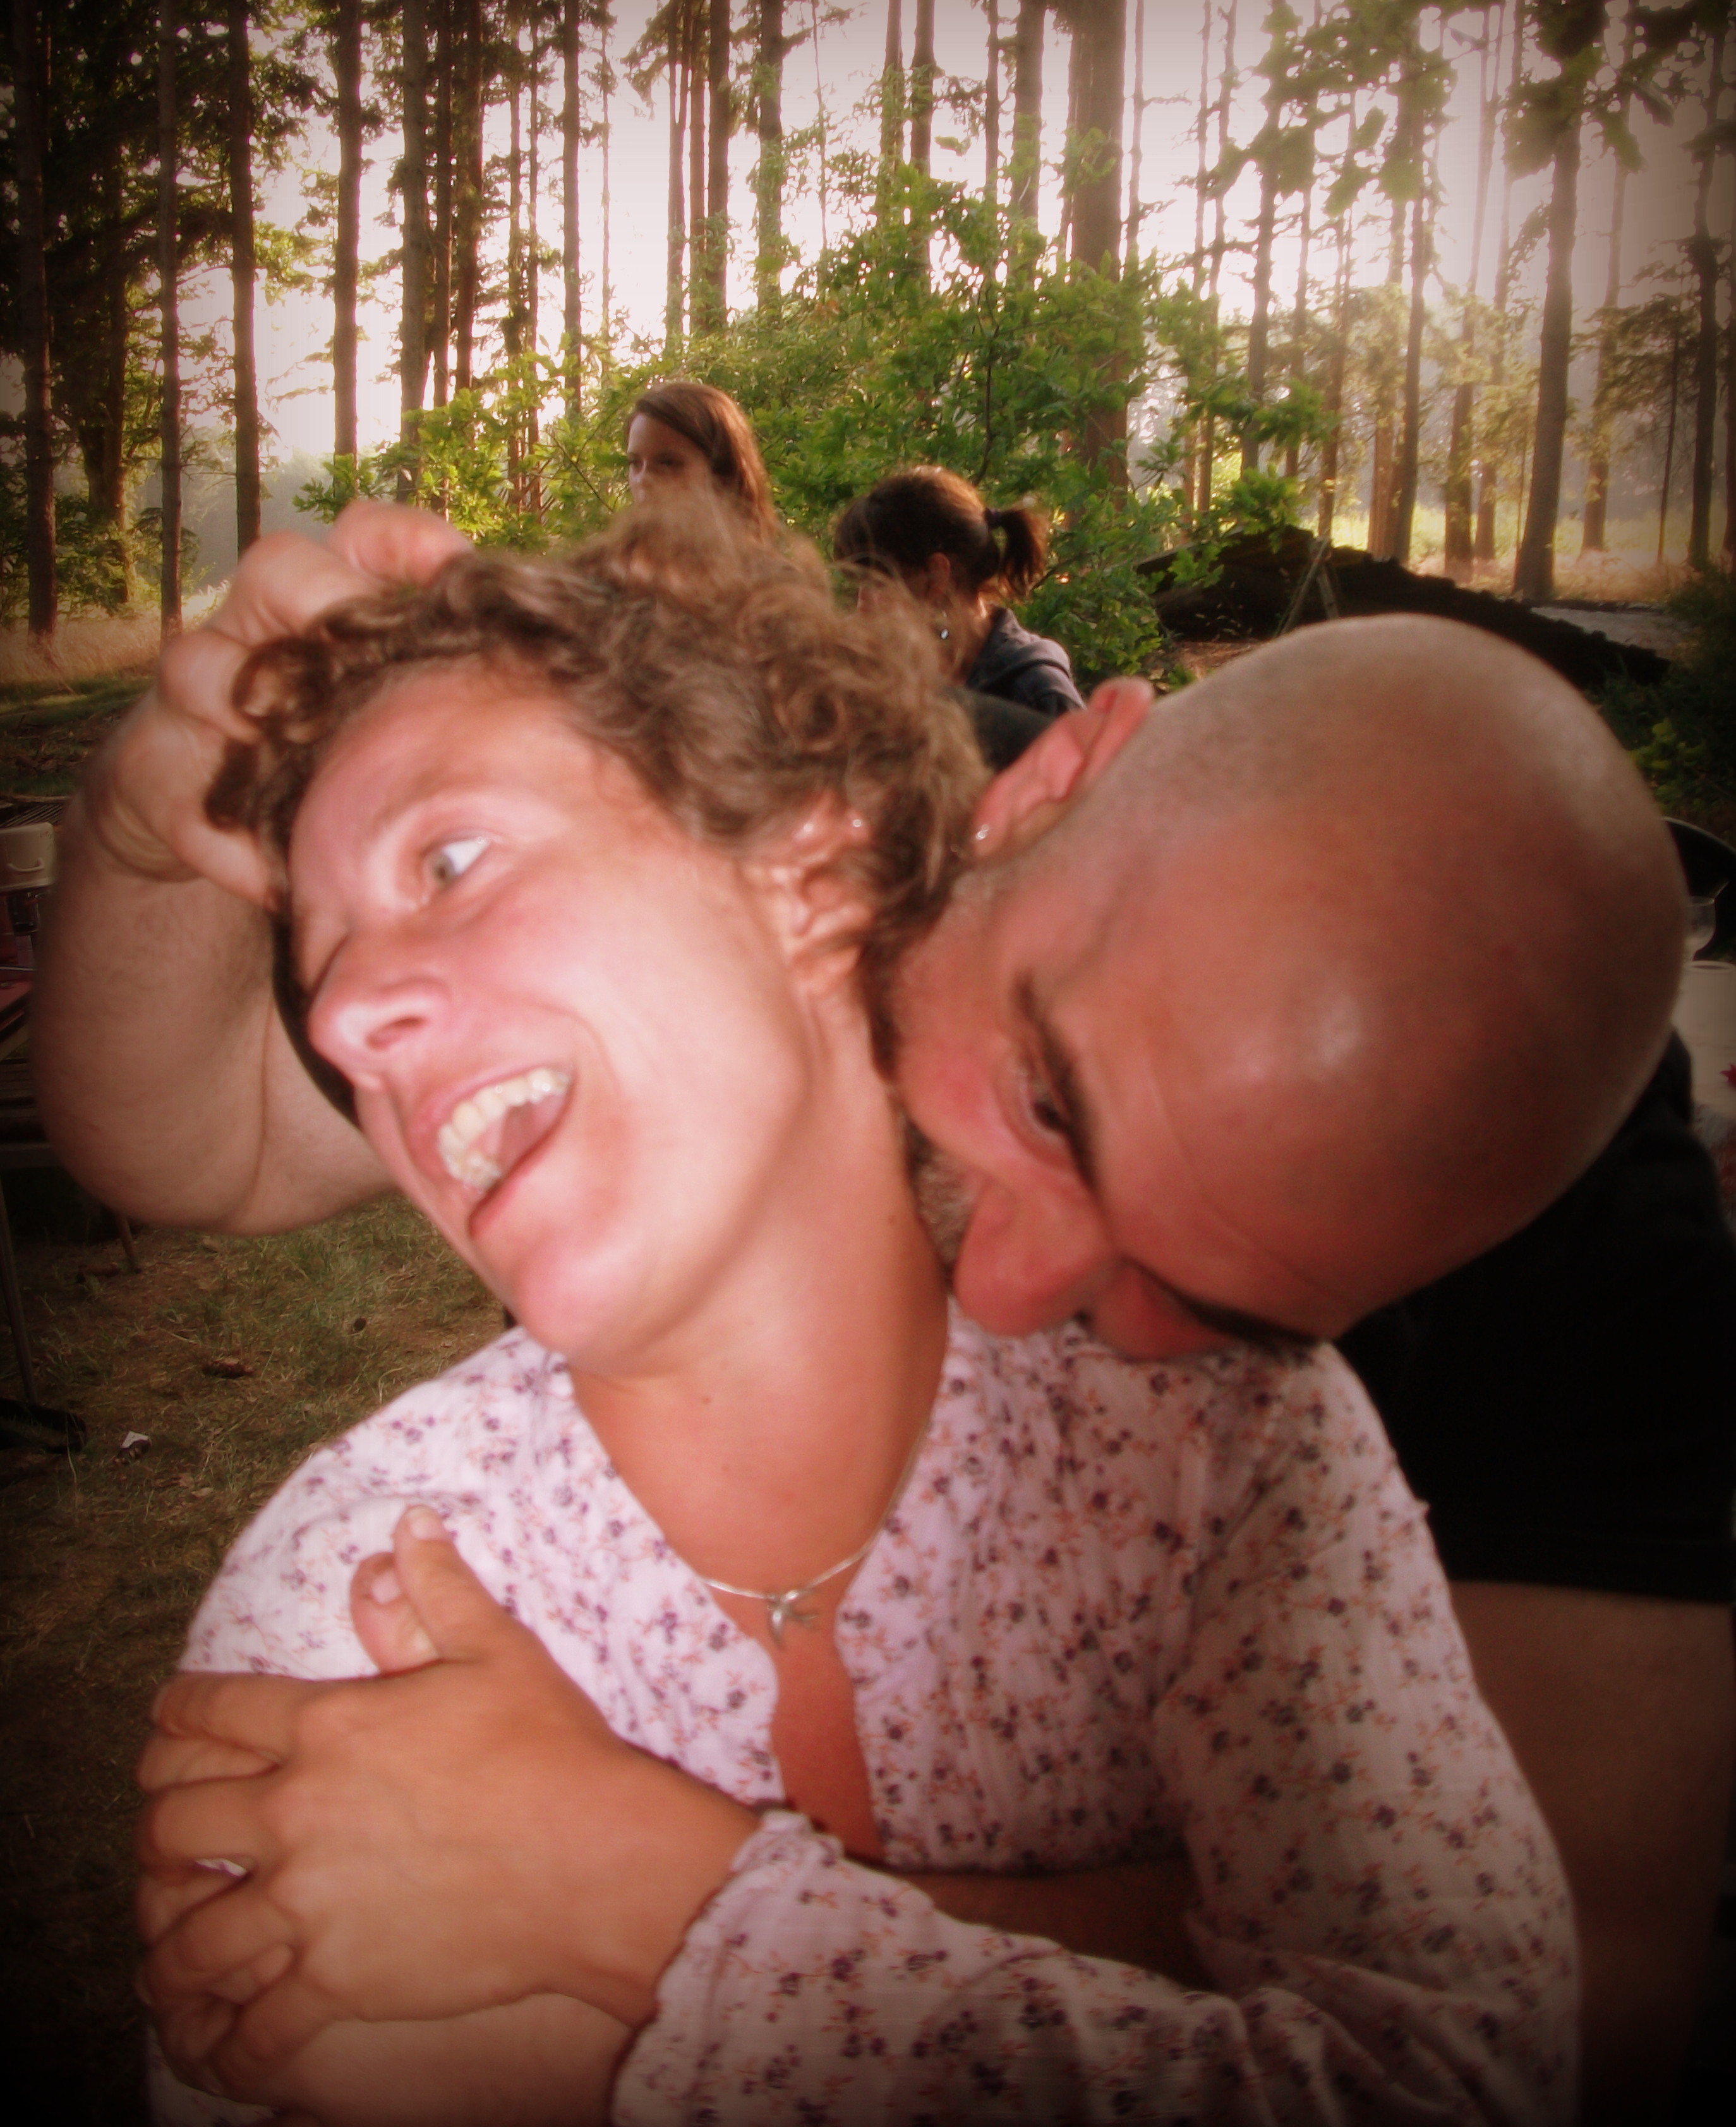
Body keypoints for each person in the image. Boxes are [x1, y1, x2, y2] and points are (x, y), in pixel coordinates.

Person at [35, 507, 1732, 2119]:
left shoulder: (1272, 1425)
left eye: (1205, 1297)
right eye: (1051, 1098)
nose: (1013, 1290)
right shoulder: (370, 1586)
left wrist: (639, 1932)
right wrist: (143, 814)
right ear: (1003, 805)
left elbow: (1521, 2034)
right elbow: (195, 1134)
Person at [833, 465, 1085, 719]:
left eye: (877, 584)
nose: (862, 606)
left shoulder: (1036, 692)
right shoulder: (892, 680)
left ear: (936, 574)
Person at [625, 380, 776, 539]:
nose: (643, 479)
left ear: (721, 470)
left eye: (667, 463)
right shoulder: (618, 554)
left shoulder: (751, 556)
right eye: (635, 463)